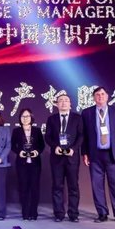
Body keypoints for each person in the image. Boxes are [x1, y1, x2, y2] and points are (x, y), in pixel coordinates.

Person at [81, 86, 115, 223]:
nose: (100, 96)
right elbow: (84, 136)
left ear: (107, 96)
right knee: (97, 186)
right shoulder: (87, 113)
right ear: (93, 98)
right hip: (95, 154)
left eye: (103, 94)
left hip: (113, 154)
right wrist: (84, 153)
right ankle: (102, 213)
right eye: (97, 94)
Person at [44, 94, 84, 222]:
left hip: (72, 157)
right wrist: (54, 146)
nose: (63, 103)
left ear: (70, 104)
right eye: (60, 101)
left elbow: (81, 136)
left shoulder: (77, 118)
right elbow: (47, 136)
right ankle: (59, 214)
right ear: (56, 104)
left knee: (73, 187)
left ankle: (73, 214)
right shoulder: (52, 119)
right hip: (57, 157)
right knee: (57, 186)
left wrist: (74, 149)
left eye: (66, 100)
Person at [11, 108, 45, 220]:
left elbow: (42, 145)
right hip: (22, 163)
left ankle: (33, 212)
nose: (25, 118)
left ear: (31, 117)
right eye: (23, 116)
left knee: (34, 187)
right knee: (23, 187)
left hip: (35, 163)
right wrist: (19, 152)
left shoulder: (37, 130)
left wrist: (37, 152)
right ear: (20, 118)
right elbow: (13, 146)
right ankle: (25, 212)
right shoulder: (16, 131)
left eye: (27, 116)